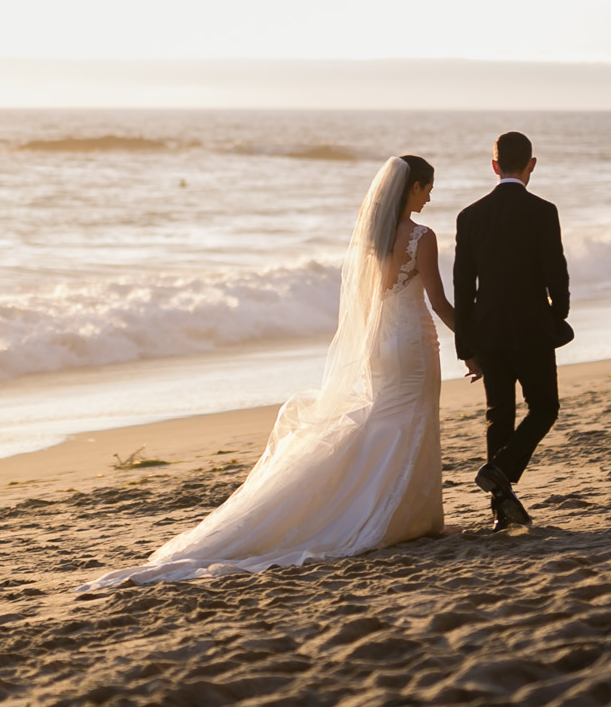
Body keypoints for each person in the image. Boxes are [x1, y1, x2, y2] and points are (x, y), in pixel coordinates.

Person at [79, 155, 457, 588]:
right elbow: (439, 303)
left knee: (384, 421)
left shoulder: (372, 239)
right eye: (427, 188)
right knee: (413, 420)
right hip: (411, 342)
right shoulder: (421, 237)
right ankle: (406, 518)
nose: (430, 197)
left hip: (378, 344)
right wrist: (475, 344)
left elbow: (366, 306)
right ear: (412, 188)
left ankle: (400, 513)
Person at [454, 131, 571, 531]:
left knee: (498, 415)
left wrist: (464, 345)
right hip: (533, 328)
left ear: (494, 165)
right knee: (544, 408)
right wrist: (559, 317)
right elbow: (556, 272)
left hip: (486, 330)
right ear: (531, 166)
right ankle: (500, 469)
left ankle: (499, 510)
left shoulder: (469, 216)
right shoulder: (543, 211)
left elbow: (462, 286)